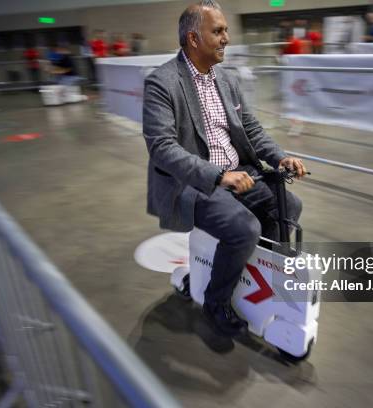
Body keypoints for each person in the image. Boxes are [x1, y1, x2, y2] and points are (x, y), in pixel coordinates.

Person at [142, 0, 306, 337]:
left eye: (226, 30)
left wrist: (279, 158)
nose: (226, 38)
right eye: (217, 31)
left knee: (289, 207)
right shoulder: (161, 82)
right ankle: (216, 301)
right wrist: (217, 176)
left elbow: (252, 129)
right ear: (193, 39)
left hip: (239, 174)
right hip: (194, 184)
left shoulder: (226, 79)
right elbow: (161, 148)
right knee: (242, 227)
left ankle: (255, 280)